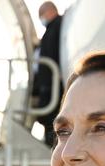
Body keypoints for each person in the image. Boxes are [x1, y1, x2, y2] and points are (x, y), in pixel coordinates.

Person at [32, 2, 63, 145]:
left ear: (49, 12)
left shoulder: (56, 28)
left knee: (51, 121)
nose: (41, 19)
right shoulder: (53, 29)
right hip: (49, 86)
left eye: (41, 15)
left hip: (51, 86)